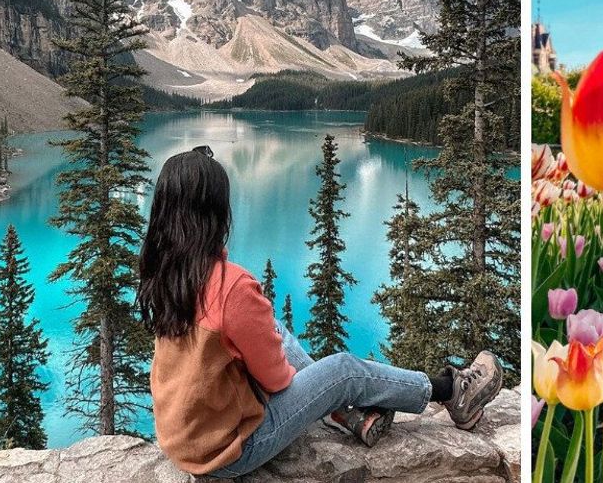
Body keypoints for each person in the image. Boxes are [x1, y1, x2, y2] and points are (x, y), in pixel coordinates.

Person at [138, 147, 503, 477]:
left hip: (185, 440)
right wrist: (318, 388)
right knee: (343, 371)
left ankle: (347, 414)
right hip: (232, 449)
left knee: (273, 330)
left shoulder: (166, 273)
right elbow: (276, 381)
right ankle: (451, 392)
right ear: (215, 212)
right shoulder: (231, 286)